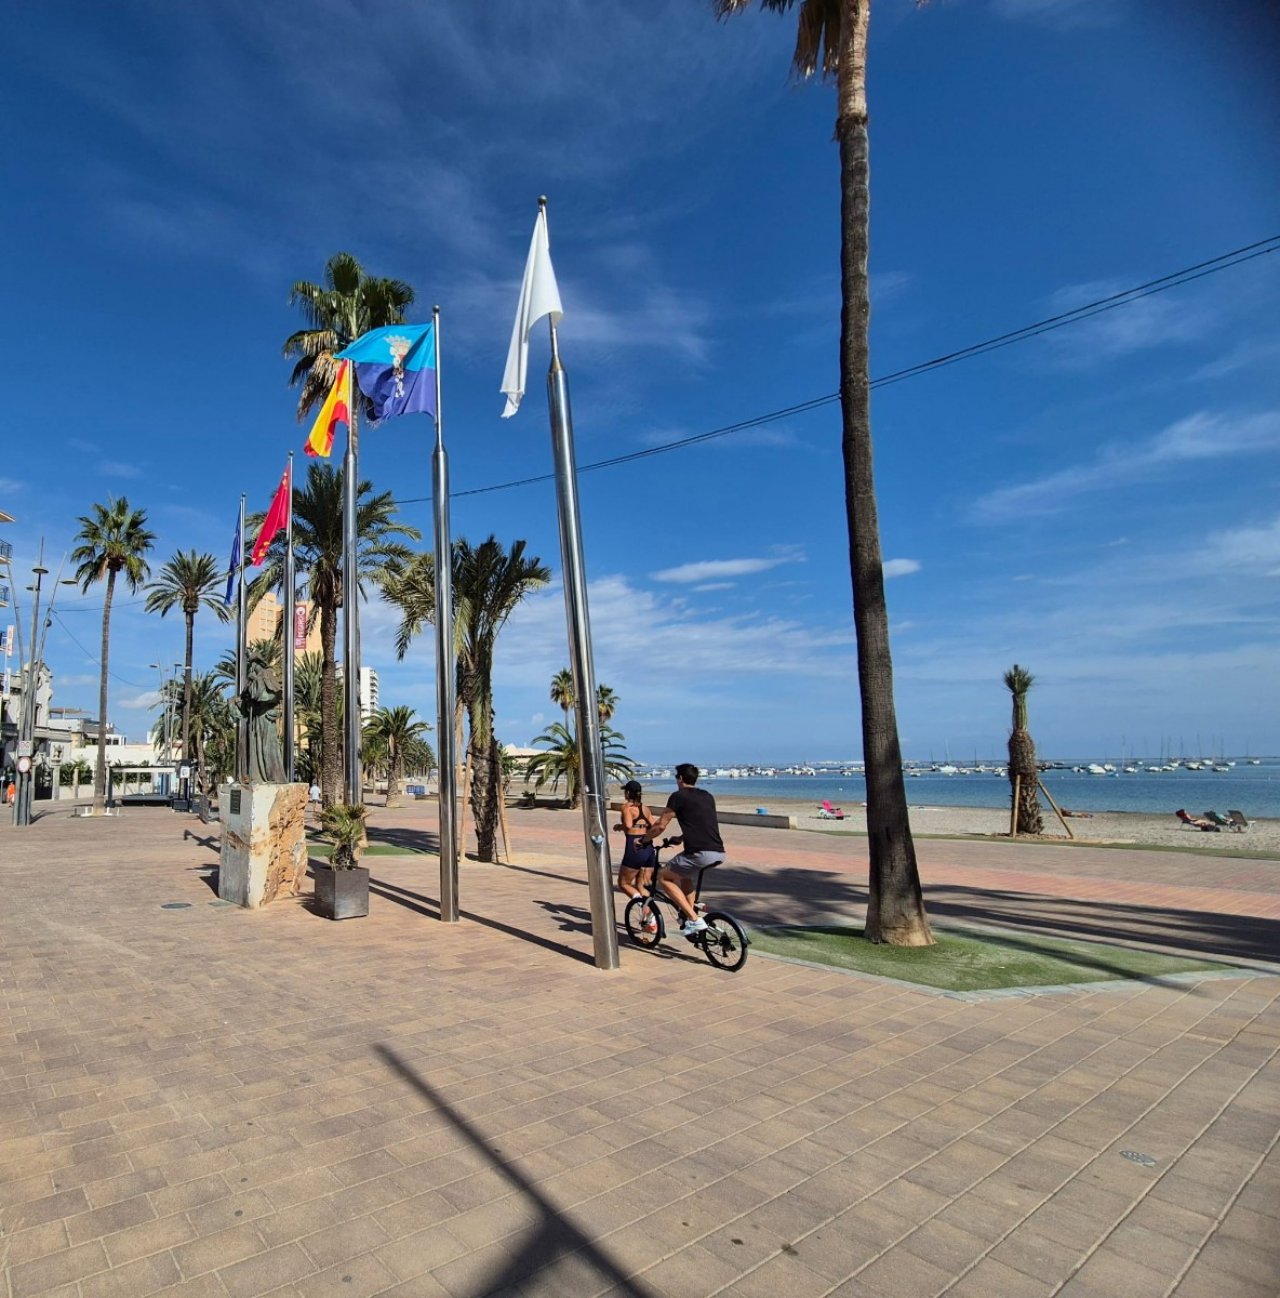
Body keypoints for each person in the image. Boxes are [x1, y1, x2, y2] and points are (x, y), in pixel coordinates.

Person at [642, 763, 724, 937]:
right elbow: (701, 824)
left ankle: (694, 919)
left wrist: (643, 840)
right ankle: (688, 913)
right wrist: (680, 838)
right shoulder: (707, 796)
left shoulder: (678, 797)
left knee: (663, 877)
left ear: (680, 778)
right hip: (718, 851)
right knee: (684, 875)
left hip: (698, 853)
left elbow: (660, 825)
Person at [616, 779, 657, 906]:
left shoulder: (627, 808)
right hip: (648, 848)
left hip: (634, 847)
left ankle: (642, 906)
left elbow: (628, 825)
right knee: (641, 886)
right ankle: (652, 914)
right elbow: (654, 825)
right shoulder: (645, 808)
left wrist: (620, 826)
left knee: (624, 883)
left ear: (628, 793)